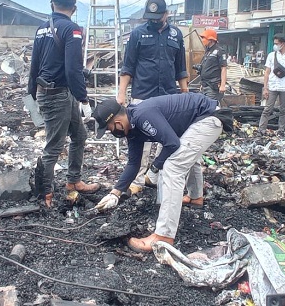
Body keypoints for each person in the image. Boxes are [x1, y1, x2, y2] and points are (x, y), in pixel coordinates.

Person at [91, 93, 224, 252]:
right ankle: (196, 197)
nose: (112, 132)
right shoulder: (133, 128)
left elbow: (172, 144)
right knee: (185, 155)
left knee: (172, 166)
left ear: (117, 122)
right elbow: (134, 164)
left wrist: (155, 167)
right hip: (200, 119)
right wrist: (115, 192)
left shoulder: (142, 115)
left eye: (110, 128)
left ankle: (164, 236)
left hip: (208, 117)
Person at [27, 0, 98, 208]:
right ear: (74, 8)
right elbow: (73, 69)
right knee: (54, 147)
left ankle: (73, 181)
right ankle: (45, 195)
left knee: (79, 135)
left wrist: (32, 94)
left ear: (52, 4)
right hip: (58, 95)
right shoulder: (72, 30)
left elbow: (34, 64)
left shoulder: (41, 29)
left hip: (50, 92)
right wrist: (84, 99)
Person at [117, 0, 189, 195]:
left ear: (167, 14)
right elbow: (128, 66)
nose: (154, 20)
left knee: (166, 137)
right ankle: (137, 180)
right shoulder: (138, 34)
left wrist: (184, 93)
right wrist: (121, 93)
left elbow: (180, 68)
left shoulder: (176, 35)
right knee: (141, 140)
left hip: (168, 97)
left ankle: (157, 176)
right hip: (143, 95)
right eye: (151, 17)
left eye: (158, 16)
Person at [258, 33, 285, 135]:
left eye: (277, 43)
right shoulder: (271, 55)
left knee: (283, 110)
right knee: (267, 109)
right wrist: (265, 88)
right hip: (272, 86)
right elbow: (267, 72)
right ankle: (261, 129)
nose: (275, 45)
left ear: (283, 44)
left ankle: (281, 130)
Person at [196, 29, 227, 101]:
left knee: (210, 108)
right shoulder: (208, 51)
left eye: (204, 38)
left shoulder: (220, 51)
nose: (202, 40)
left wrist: (222, 85)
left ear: (210, 40)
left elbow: (224, 68)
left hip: (213, 87)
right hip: (205, 86)